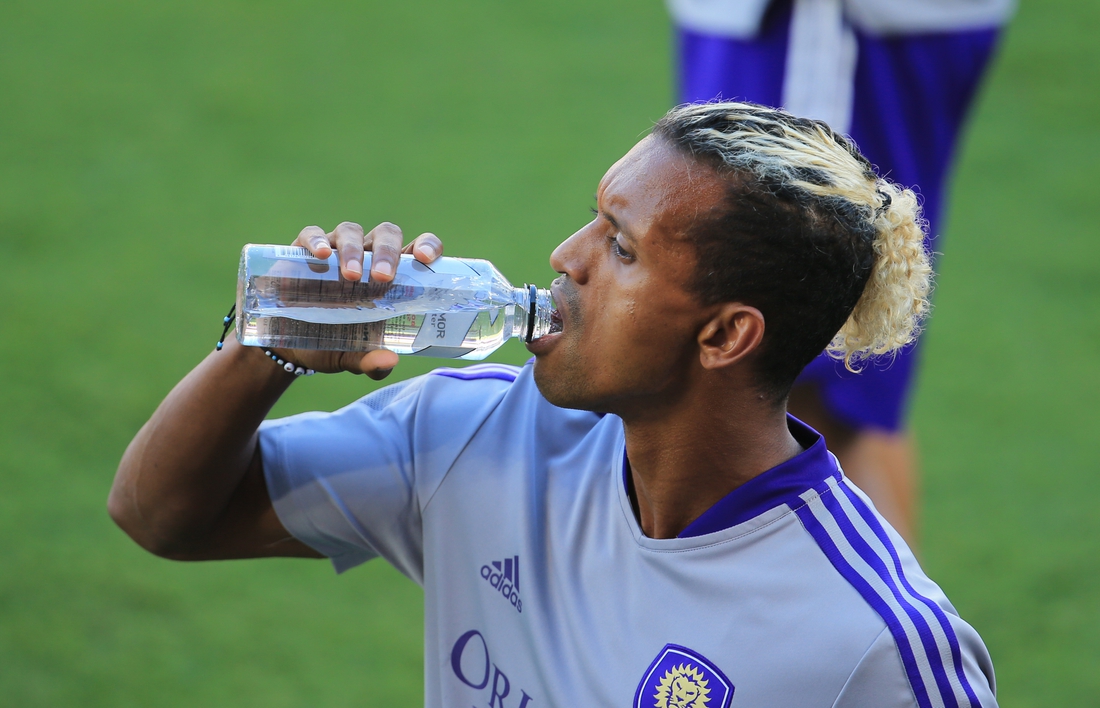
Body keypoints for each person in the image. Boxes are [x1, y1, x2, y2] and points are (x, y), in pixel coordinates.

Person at [109, 102, 997, 707]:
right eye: (592, 220)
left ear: (726, 336)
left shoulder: (871, 644)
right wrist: (268, 347)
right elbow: (162, 516)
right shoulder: (474, 431)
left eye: (621, 247)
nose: (565, 257)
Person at [668, 0, 1014, 544]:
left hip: (832, 28)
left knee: (803, 372)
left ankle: (902, 626)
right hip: (768, 22)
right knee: (779, 374)